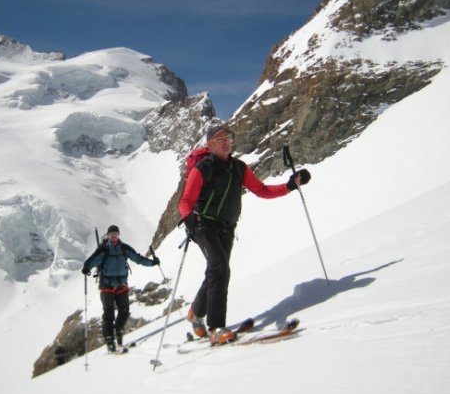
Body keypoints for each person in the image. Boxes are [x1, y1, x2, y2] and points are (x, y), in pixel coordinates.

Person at [179, 125, 311, 345]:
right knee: (221, 268)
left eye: (228, 138)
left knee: (215, 269)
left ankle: (195, 313)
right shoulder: (202, 168)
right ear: (210, 144)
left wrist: (289, 186)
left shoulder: (239, 167)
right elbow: (185, 201)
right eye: (220, 138)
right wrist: (189, 219)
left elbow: (262, 190)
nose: (226, 142)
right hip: (203, 225)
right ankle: (216, 328)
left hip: (227, 228)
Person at [82, 225, 160, 352]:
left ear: (119, 236)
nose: (113, 236)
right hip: (106, 285)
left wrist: (152, 263)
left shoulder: (124, 248)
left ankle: (118, 330)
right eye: (111, 234)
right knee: (108, 314)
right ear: (107, 236)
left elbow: (138, 258)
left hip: (121, 285)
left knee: (124, 311)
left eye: (116, 234)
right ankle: (109, 340)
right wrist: (87, 267)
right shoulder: (104, 250)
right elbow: (93, 260)